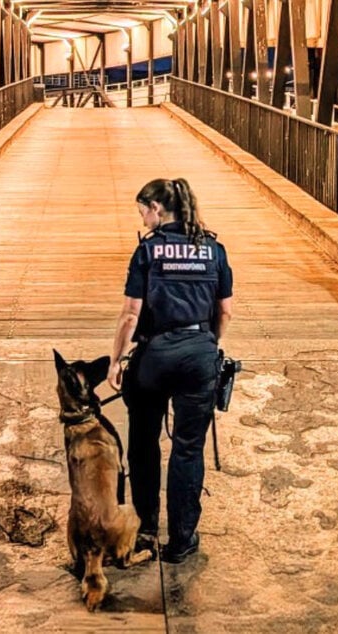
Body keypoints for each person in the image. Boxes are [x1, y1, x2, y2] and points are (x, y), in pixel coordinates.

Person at [107, 178, 233, 564]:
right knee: (187, 449)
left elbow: (131, 314)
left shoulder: (147, 251)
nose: (142, 218)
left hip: (154, 356)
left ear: (157, 209)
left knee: (143, 445)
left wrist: (116, 360)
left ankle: (145, 531)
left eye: (143, 210)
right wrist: (207, 345)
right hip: (198, 354)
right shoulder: (214, 249)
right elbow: (225, 311)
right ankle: (181, 540)